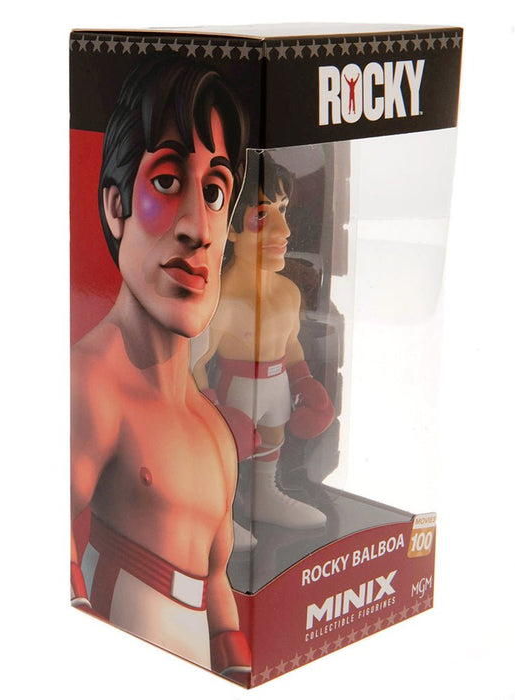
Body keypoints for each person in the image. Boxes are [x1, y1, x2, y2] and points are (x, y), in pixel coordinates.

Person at [70, 54, 251, 679]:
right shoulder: (90, 383)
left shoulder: (215, 433)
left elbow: (219, 592)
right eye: (168, 181)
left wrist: (240, 673)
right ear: (115, 206)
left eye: (215, 192)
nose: (198, 228)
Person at [193, 151, 334, 531]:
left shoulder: (289, 292)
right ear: (230, 227)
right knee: (229, 452)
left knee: (273, 436)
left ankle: (263, 495)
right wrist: (216, 413)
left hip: (277, 387)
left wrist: (305, 383)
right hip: (237, 390)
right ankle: (218, 515)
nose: (284, 231)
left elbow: (291, 346)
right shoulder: (221, 300)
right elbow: (194, 363)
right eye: (261, 216)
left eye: (283, 210)